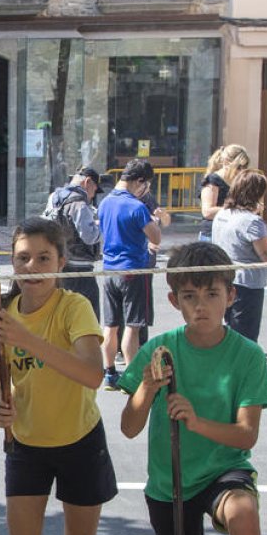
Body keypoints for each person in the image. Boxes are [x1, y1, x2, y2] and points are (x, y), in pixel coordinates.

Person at [118, 242, 267, 535]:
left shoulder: (248, 355)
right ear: (173, 300)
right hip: (169, 481)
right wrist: (148, 388)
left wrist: (196, 421)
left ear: (231, 295)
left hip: (225, 468)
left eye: (211, 295)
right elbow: (129, 427)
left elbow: (246, 435)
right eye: (189, 296)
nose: (200, 306)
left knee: (243, 514)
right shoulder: (159, 348)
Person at [0, 218, 115, 535]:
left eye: (44, 257)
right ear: (12, 264)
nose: (33, 267)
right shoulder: (1, 315)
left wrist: (28, 341)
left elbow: (93, 374)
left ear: (61, 262)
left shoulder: (74, 307)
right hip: (26, 447)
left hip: (79, 441)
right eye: (23, 258)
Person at [98, 159, 162, 390]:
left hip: (109, 270)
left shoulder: (105, 203)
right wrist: (153, 222)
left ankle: (109, 372)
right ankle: (133, 377)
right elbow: (155, 237)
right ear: (140, 181)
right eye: (147, 186)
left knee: (110, 325)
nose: (146, 191)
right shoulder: (136, 207)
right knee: (132, 327)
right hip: (133, 269)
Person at [211, 171, 267, 342]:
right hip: (247, 283)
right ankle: (242, 367)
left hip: (223, 278)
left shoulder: (222, 215)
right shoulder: (252, 221)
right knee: (245, 334)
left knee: (226, 330)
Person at [43, 167, 102, 318]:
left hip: (60, 264)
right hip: (80, 269)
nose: (93, 195)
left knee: (62, 314)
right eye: (95, 190)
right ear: (88, 182)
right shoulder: (79, 204)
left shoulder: (55, 197)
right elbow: (89, 237)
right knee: (89, 316)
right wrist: (102, 227)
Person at [199, 145, 250, 242]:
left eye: (245, 166)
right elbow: (207, 212)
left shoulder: (240, 181)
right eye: (239, 167)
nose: (242, 170)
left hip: (233, 233)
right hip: (212, 235)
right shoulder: (213, 180)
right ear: (226, 162)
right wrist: (236, 209)